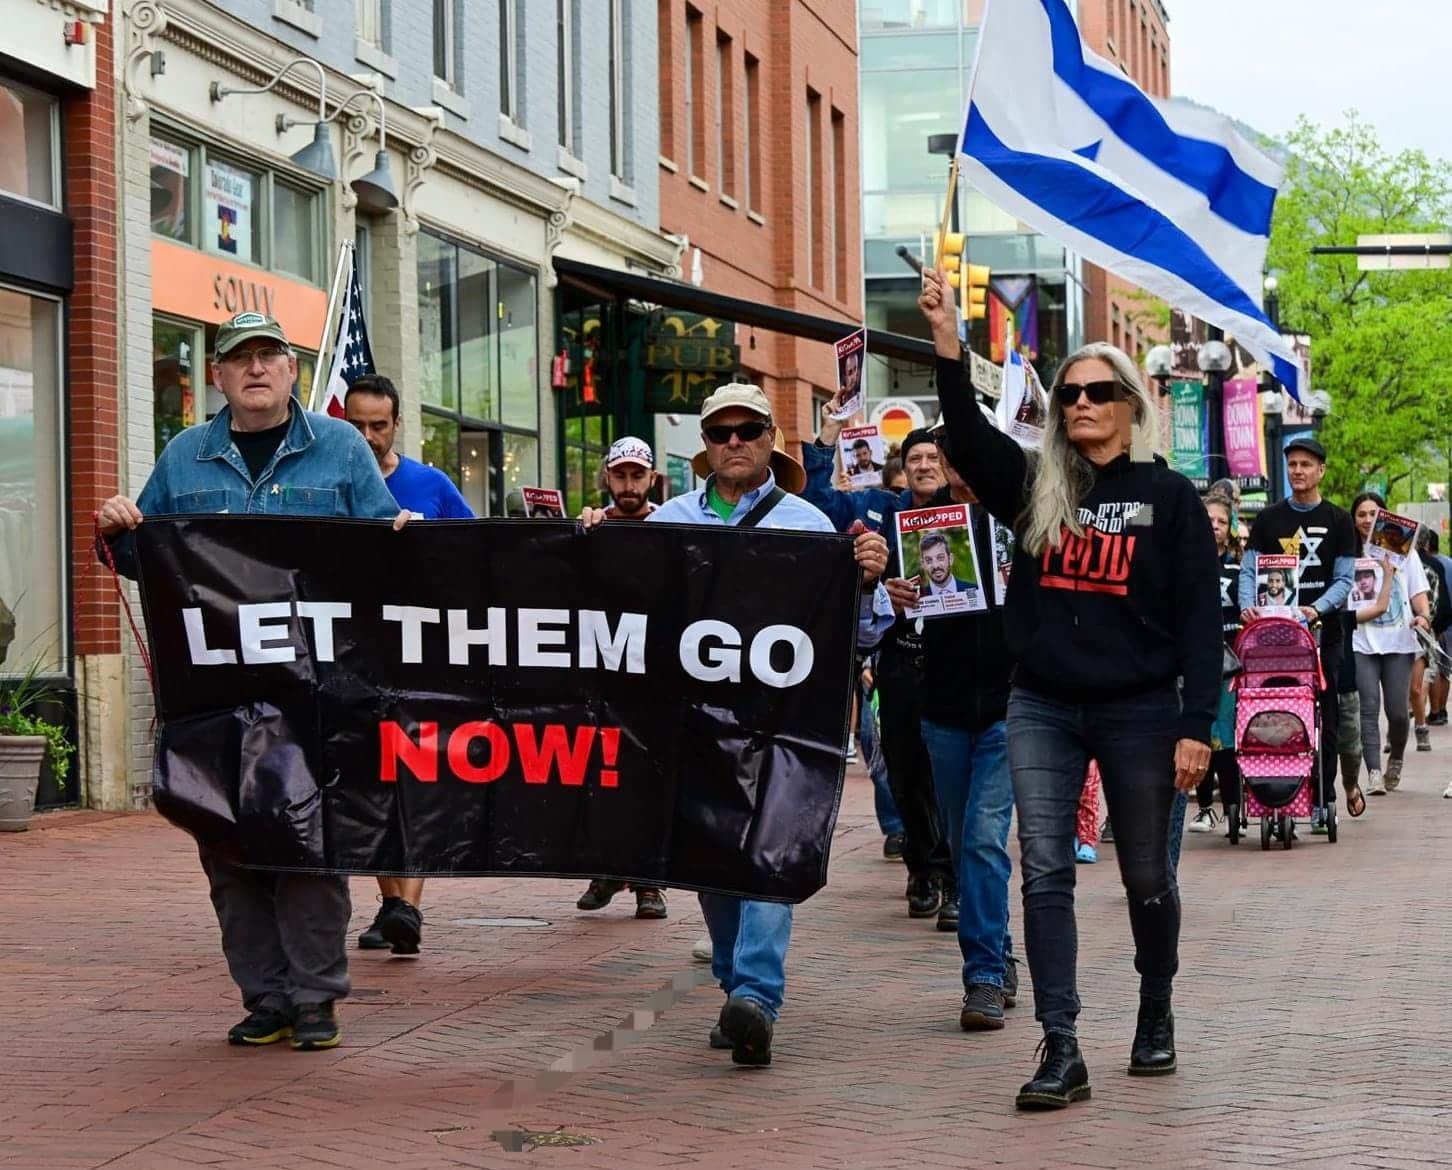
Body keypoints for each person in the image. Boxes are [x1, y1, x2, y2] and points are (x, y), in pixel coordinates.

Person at [920, 267, 1221, 1111]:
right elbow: (970, 441)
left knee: (1146, 880)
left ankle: (1155, 1008)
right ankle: (1062, 1044)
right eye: (1068, 394)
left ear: (1131, 405)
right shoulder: (1036, 487)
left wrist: (1197, 724)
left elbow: (1202, 620)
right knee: (1044, 871)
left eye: (1098, 392)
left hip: (1140, 711)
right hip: (1043, 704)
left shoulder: (1169, 498)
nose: (1081, 404)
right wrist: (950, 341)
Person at [96, 311, 408, 1052]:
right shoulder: (183, 458)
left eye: (270, 355)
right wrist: (116, 530)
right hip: (215, 694)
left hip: (318, 692)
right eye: (241, 359)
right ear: (218, 376)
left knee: (310, 845)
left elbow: (387, 558)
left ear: (293, 370)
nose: (257, 369)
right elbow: (144, 560)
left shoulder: (338, 448)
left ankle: (318, 999)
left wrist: (398, 535)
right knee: (226, 844)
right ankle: (266, 998)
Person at [580, 383, 892, 1068]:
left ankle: (756, 994)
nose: (734, 442)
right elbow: (622, 618)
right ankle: (734, 985)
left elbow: (861, 636)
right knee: (714, 863)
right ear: (705, 444)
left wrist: (865, 583)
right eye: (720, 432)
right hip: (694, 727)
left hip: (783, 728)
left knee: (767, 857)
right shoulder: (669, 524)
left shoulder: (810, 527)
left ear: (771, 437)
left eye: (747, 429)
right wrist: (590, 553)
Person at [883, 430, 1019, 1032]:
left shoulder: (1021, 515)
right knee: (967, 844)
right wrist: (895, 600)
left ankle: (984, 975)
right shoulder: (918, 528)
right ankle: (999, 947)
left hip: (1010, 707)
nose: (955, 469)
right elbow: (885, 620)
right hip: (941, 708)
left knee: (985, 838)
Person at [805, 403, 955, 924]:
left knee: (951, 774)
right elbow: (817, 501)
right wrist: (829, 432)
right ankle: (921, 870)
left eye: (933, 457)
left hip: (959, 664)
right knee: (906, 772)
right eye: (915, 457)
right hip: (898, 660)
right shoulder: (880, 511)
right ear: (904, 467)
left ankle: (953, 878)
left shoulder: (970, 513)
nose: (924, 465)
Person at [344, 373, 472, 957]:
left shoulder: (431, 484)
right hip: (352, 656)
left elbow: (483, 555)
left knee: (415, 775)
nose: (369, 436)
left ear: (397, 425)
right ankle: (393, 903)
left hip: (422, 654)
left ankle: (408, 907)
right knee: (368, 777)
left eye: (379, 425)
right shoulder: (329, 484)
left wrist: (432, 545)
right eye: (358, 425)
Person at [1239, 436, 1360, 825]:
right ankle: (1272, 790)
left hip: (1324, 632)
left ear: (1321, 470)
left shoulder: (1339, 520)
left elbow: (1344, 581)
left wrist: (1315, 609)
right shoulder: (1269, 519)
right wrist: (1247, 606)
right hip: (1275, 635)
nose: (1298, 471)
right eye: (1292, 464)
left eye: (1306, 465)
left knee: (1323, 713)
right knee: (1272, 709)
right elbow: (1249, 569)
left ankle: (1321, 797)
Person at [573, 437, 669, 920]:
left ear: (651, 478)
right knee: (602, 772)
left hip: (655, 673)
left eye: (637, 475)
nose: (628, 485)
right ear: (607, 478)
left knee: (649, 775)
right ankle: (609, 868)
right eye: (620, 475)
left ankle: (649, 884)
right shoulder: (592, 527)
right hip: (602, 671)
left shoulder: (673, 526)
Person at [1347, 492, 1431, 795]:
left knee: (1398, 712)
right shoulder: (1347, 551)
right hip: (1361, 641)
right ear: (1353, 518)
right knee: (1367, 709)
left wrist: (1423, 617)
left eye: (1373, 513)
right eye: (1361, 514)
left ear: (1384, 516)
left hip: (1399, 641)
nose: (1367, 520)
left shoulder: (1405, 552)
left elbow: (1418, 594)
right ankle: (1373, 773)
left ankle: (1396, 757)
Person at [1188, 493, 1243, 835]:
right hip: (1196, 659)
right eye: (1209, 520)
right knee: (1201, 733)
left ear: (1231, 528)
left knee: (1229, 736)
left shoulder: (1239, 567)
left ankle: (1234, 809)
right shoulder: (1185, 561)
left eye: (1222, 521)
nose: (1215, 526)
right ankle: (1205, 807)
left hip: (1232, 662)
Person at [1409, 527, 1452, 751]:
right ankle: (1437, 711)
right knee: (1438, 671)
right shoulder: (1444, 563)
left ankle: (1423, 718)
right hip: (1437, 627)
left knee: (1419, 680)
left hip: (1422, 628)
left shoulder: (1422, 565)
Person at [917, 531, 973, 596]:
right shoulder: (917, 598)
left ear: (950, 559)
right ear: (923, 564)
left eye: (940, 558)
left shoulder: (974, 589)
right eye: (929, 560)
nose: (935, 565)